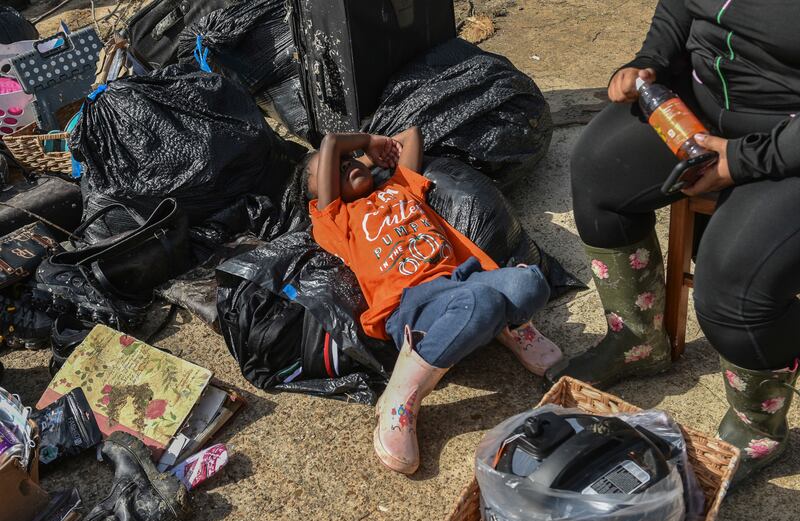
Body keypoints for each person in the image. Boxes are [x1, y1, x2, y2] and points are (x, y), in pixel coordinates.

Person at [551, 0, 800, 482]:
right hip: (704, 107)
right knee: (598, 170)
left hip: (789, 139)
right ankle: (639, 341)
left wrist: (745, 162)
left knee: (732, 280)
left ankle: (759, 429)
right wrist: (649, 61)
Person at [303, 126, 563, 474]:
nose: (345, 164)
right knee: (481, 302)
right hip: (411, 304)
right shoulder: (335, 220)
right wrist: (363, 143)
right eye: (333, 168)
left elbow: (411, 135)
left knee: (530, 282)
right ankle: (400, 394)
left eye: (350, 160)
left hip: (462, 280)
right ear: (317, 193)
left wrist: (374, 151)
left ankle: (510, 327)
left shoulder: (399, 187)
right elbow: (330, 144)